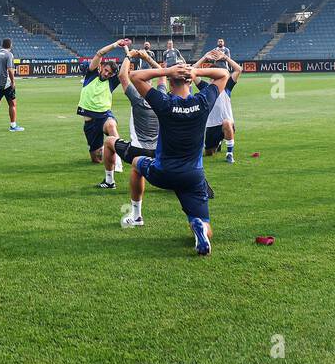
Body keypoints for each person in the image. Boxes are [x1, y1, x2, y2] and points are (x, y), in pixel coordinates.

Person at [120, 49, 231, 256]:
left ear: (170, 82)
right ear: (190, 81)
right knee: (205, 222)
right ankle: (199, 227)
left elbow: (134, 76)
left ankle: (136, 216)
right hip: (193, 177)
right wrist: (195, 71)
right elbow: (223, 75)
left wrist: (168, 69)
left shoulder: (164, 103)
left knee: (136, 164)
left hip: (164, 172)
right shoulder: (203, 102)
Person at [99, 46, 159, 189]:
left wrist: (129, 55)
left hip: (138, 150)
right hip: (159, 151)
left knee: (108, 142)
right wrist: (148, 59)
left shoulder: (137, 99)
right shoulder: (161, 98)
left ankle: (109, 181)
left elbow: (122, 76)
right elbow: (163, 75)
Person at [77, 39, 130, 163]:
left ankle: (118, 159)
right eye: (106, 70)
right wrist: (115, 45)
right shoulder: (91, 75)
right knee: (96, 160)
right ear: (101, 67)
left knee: (111, 126)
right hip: (90, 123)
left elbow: (125, 70)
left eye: (110, 73)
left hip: (104, 117)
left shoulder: (111, 82)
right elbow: (99, 54)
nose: (107, 74)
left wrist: (127, 50)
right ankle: (106, 150)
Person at [202, 51, 242, 163]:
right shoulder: (205, 87)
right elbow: (191, 72)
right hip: (211, 126)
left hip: (226, 123)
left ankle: (229, 154)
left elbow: (239, 69)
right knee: (209, 153)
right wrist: (205, 58)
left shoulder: (227, 86)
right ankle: (218, 143)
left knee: (227, 122)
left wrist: (225, 57)